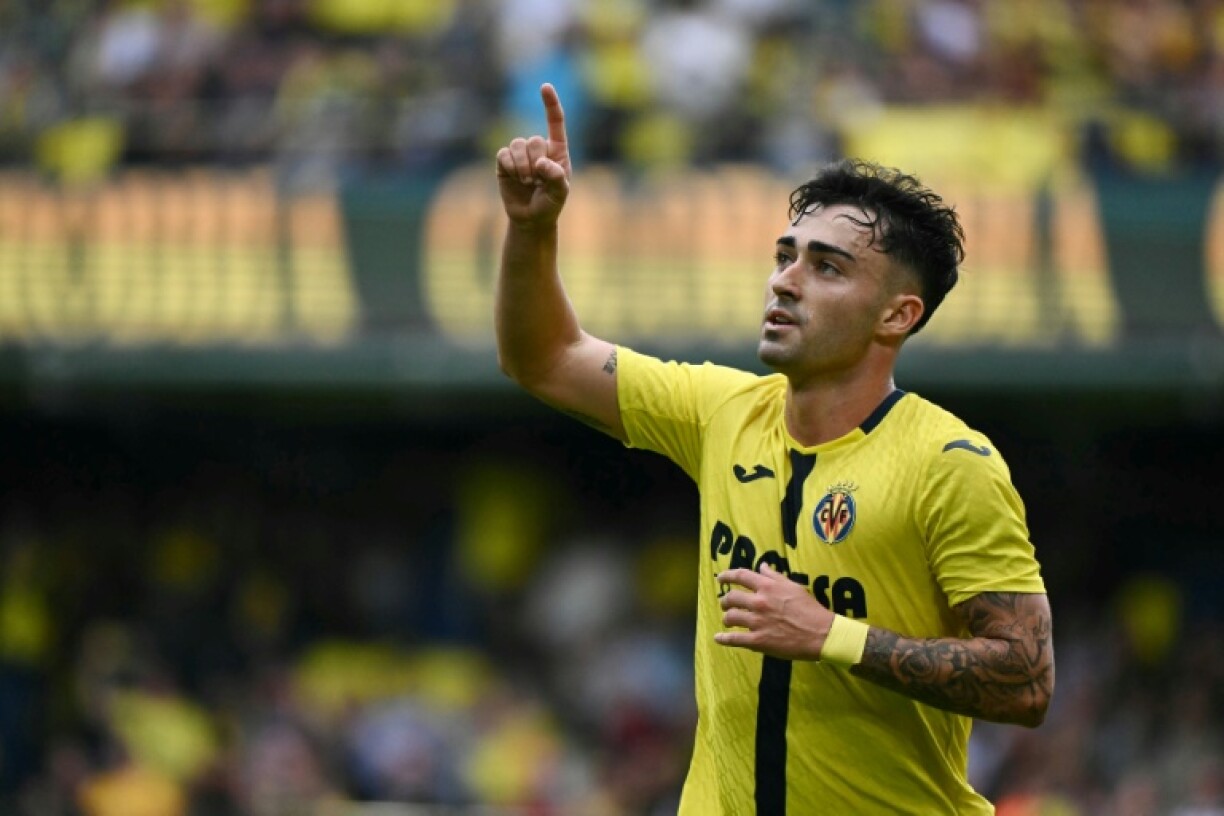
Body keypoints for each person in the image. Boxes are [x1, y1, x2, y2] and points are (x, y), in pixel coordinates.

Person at [494, 83, 1054, 815]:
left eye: (826, 267)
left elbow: (1026, 680)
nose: (785, 282)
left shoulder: (949, 464)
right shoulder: (721, 412)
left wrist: (833, 635)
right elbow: (544, 357)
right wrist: (533, 231)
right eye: (785, 256)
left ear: (898, 314)